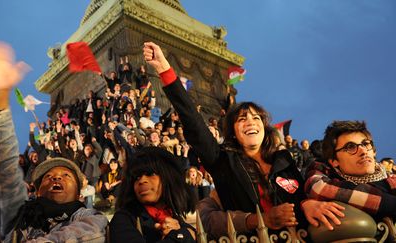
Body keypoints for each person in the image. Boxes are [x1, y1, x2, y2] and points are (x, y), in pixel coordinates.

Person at [142, 42, 342, 238]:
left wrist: (307, 204)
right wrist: (164, 69)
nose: (250, 122)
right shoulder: (222, 161)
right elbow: (193, 122)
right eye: (242, 119)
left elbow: (299, 199)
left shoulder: (283, 159)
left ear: (264, 128)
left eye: (256, 118)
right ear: (233, 132)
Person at [0, 40, 108, 242]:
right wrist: (1, 95)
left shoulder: (91, 219)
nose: (56, 179)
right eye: (48, 177)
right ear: (36, 191)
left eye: (66, 175)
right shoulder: (17, 217)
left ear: (79, 194)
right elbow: (1, 171)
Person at [305, 120, 396, 221]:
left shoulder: (392, 180)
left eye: (366, 144)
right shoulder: (322, 172)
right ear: (334, 161)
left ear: (374, 151)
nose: (363, 151)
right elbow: (319, 189)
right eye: (350, 147)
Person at [109, 147, 196, 242]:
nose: (142, 181)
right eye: (136, 177)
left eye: (150, 174)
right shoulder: (123, 219)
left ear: (168, 177)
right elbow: (186, 235)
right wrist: (180, 236)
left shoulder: (171, 214)